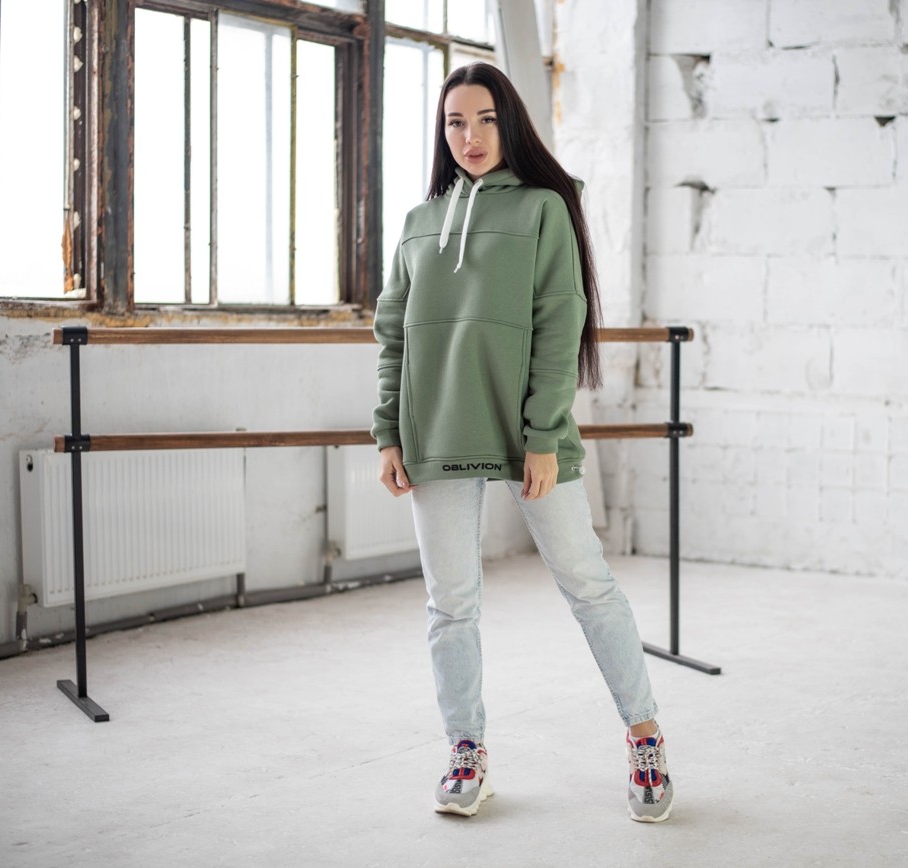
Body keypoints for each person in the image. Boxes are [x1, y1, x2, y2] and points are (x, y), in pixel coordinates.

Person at [371, 62, 672, 823]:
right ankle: (465, 749)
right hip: (436, 433)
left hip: (529, 436)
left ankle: (645, 736)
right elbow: (393, 336)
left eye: (484, 119)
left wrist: (541, 435)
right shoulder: (418, 221)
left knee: (588, 583)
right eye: (454, 122)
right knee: (450, 604)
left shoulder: (544, 208)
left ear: (509, 123)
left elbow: (559, 324)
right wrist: (388, 433)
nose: (469, 136)